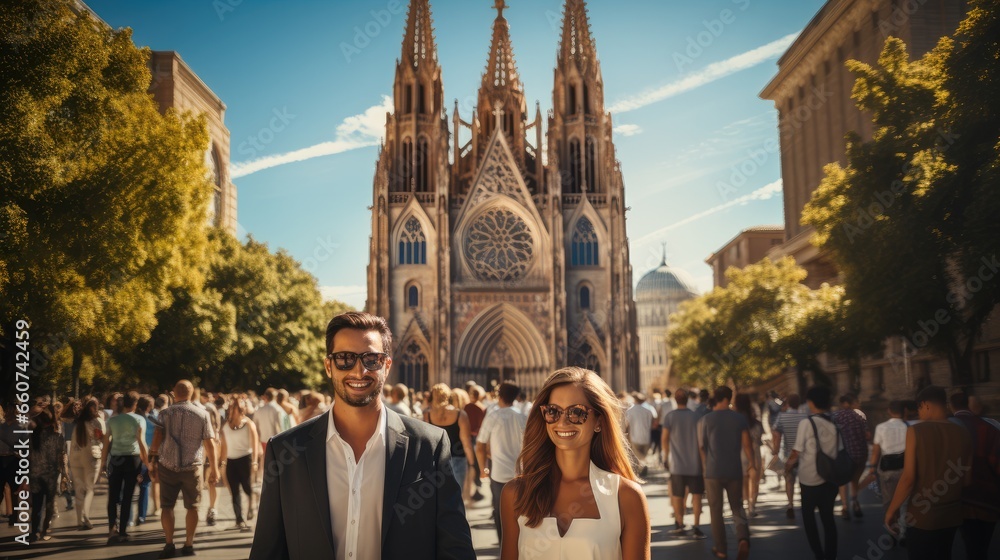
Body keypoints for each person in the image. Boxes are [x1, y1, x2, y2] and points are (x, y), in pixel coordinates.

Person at [249, 311, 474, 559]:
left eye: (372, 359)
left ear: (386, 366)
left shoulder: (430, 445)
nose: (359, 370)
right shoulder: (285, 450)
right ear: (328, 366)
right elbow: (267, 551)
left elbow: (456, 549)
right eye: (345, 358)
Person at [499, 367, 650, 559]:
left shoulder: (626, 496)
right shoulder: (515, 493)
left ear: (599, 422)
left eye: (577, 412)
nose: (562, 422)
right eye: (553, 411)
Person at [885, 386, 973, 560]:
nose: (918, 414)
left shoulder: (916, 431)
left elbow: (908, 478)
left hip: (921, 516)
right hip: (952, 516)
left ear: (925, 405)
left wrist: (891, 511)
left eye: (918, 408)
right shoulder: (964, 433)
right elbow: (967, 481)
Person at [149, 380, 219, 558]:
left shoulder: (164, 414)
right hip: (192, 467)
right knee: (193, 507)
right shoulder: (202, 414)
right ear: (191, 393)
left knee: (167, 506)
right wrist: (215, 469)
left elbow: (156, 440)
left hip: (167, 466)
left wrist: (152, 461)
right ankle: (188, 543)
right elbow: (209, 443)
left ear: (174, 392)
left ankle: (169, 543)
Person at [785, 385, 841, 560]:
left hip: (809, 479)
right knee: (828, 519)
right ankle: (830, 556)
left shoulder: (806, 423)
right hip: (831, 479)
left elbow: (796, 452)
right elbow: (840, 450)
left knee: (809, 520)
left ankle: (819, 554)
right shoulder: (835, 422)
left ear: (810, 402)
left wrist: (786, 467)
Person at [698, 387, 753, 560]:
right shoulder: (739, 418)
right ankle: (743, 538)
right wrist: (752, 463)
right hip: (734, 469)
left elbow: (701, 447)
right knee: (737, 507)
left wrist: (705, 466)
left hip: (713, 471)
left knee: (716, 511)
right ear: (729, 398)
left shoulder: (705, 420)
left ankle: (721, 549)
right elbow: (746, 444)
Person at [948, 392, 1000, 560]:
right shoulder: (991, 428)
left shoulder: (947, 428)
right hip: (988, 498)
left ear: (951, 406)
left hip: (961, 498)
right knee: (984, 544)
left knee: (971, 544)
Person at [477, 381, 527, 545]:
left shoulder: (493, 416)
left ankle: (504, 545)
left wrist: (482, 468)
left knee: (500, 512)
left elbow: (480, 444)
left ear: (499, 395)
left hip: (498, 474)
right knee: (521, 512)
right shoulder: (522, 417)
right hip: (520, 473)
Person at [101, 391, 148, 544]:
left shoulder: (112, 421)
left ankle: (111, 530)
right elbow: (141, 442)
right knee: (128, 496)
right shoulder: (139, 420)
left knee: (113, 496)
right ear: (135, 404)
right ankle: (123, 531)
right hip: (133, 460)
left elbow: (106, 443)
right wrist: (148, 463)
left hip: (115, 459)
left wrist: (103, 463)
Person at [661, 388, 706, 539]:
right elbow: (701, 443)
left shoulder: (670, 416)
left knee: (678, 496)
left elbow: (665, 439)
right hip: (695, 464)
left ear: (675, 399)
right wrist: (704, 464)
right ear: (687, 399)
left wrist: (666, 457)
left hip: (677, 465)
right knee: (697, 496)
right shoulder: (696, 417)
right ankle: (697, 526)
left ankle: (679, 524)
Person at [28, 406, 69, 542]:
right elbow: (62, 456)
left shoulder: (33, 435)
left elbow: (27, 456)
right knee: (50, 504)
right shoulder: (57, 437)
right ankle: (45, 530)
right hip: (51, 475)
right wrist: (64, 473)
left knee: (37, 505)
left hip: (35, 474)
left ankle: (34, 531)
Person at [425, 384, 476, 490]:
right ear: (449, 396)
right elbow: (466, 442)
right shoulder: (460, 415)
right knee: (456, 498)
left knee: (437, 499)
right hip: (457, 459)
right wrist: (472, 464)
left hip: (435, 461)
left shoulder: (427, 415)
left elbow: (426, 442)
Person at [220, 396, 260, 531]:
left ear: (241, 409)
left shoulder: (248, 423)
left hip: (245, 459)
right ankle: (239, 519)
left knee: (247, 488)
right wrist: (223, 463)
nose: (232, 410)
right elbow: (224, 446)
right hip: (231, 461)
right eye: (231, 408)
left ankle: (253, 504)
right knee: (234, 491)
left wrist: (254, 461)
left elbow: (255, 443)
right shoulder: (226, 425)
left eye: (235, 407)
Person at [69, 398, 104, 530]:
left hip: (75, 456)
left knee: (79, 489)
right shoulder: (97, 422)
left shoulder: (77, 423)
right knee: (89, 489)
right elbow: (100, 438)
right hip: (91, 456)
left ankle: (79, 520)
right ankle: (86, 517)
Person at [832, 394, 869, 520]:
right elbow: (867, 435)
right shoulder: (860, 415)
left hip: (844, 454)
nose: (858, 405)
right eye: (856, 402)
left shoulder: (835, 416)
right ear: (849, 403)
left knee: (843, 481)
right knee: (855, 479)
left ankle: (845, 507)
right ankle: (855, 502)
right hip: (861, 453)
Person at [772, 393, 808, 519]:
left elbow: (776, 433)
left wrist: (775, 450)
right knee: (804, 481)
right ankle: (805, 504)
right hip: (804, 455)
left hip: (788, 455)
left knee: (789, 480)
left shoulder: (782, 417)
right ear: (799, 404)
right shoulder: (805, 417)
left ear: (788, 404)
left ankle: (790, 505)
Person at [734, 393, 763, 517]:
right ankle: (752, 506)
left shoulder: (735, 420)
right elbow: (759, 436)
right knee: (754, 481)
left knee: (743, 480)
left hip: (740, 453)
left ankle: (745, 503)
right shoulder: (755, 422)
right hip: (755, 452)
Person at [464, 385, 487, 501]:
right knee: (477, 464)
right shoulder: (482, 408)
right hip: (477, 437)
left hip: (467, 437)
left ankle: (471, 487)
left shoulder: (466, 407)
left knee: (470, 463)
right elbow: (482, 426)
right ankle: (477, 487)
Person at [624, 392, 654, 476]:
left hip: (634, 436)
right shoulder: (648, 411)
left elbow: (627, 424)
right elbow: (651, 423)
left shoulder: (630, 411)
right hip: (646, 436)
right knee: (644, 454)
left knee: (637, 454)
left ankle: (642, 466)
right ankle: (644, 465)